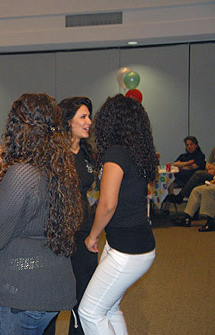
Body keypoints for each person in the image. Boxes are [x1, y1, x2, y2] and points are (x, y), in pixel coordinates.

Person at [0, 93, 83, 335]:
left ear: (17, 128)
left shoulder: (22, 174)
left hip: (23, 295)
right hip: (52, 287)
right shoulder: (58, 165)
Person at [78, 94, 158, 335]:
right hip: (134, 243)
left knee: (89, 312)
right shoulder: (136, 152)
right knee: (110, 309)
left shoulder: (115, 154)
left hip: (128, 249)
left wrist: (93, 236)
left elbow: (107, 204)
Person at [44, 97, 98, 335]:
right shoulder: (53, 154)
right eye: (83, 117)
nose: (89, 122)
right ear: (67, 121)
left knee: (83, 297)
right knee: (53, 298)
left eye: (89, 116)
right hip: (58, 234)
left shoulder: (87, 153)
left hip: (84, 232)